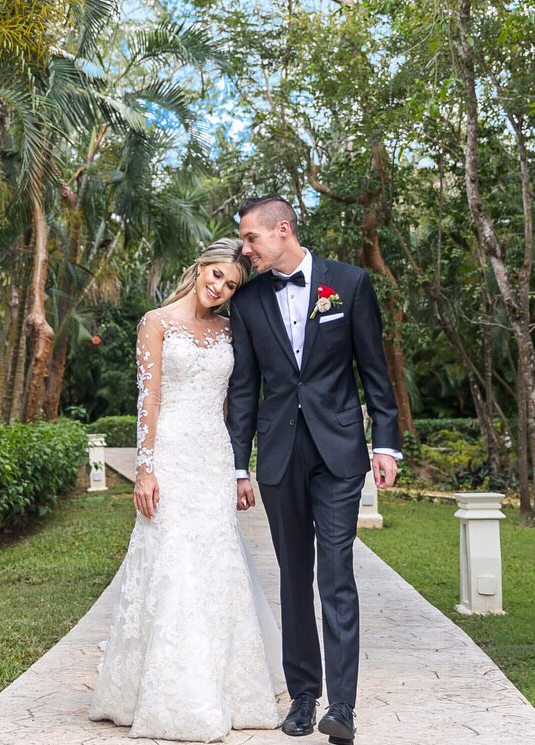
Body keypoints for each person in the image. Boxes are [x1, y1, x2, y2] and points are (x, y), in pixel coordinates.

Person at [88, 237, 283, 741]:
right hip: (171, 454)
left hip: (213, 456)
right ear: (199, 267)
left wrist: (240, 468)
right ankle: (166, 692)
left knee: (216, 563)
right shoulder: (156, 322)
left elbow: (232, 405)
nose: (220, 287)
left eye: (231, 284)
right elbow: (147, 400)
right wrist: (146, 468)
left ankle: (227, 687)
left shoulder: (229, 330)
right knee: (170, 559)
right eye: (216, 275)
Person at [227, 196, 402, 745]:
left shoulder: (347, 285)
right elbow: (243, 389)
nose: (246, 250)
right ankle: (304, 697)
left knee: (336, 573)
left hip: (340, 454)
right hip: (278, 455)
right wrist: (238, 464)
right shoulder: (250, 300)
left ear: (282, 230)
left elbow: (374, 368)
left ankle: (342, 707)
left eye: (251, 239)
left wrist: (386, 445)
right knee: (294, 576)